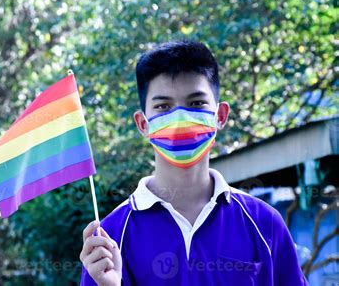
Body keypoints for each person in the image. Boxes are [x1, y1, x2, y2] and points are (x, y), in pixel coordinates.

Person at [79, 40, 307, 285]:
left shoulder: (264, 222)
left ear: (220, 115)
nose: (179, 118)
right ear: (143, 124)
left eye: (196, 103)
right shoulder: (111, 234)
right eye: (163, 106)